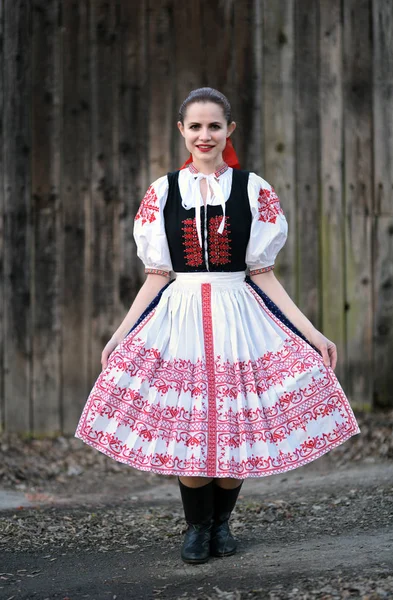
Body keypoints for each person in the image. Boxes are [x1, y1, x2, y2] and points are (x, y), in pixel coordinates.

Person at [74, 87, 361, 565]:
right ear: (181, 131)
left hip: (238, 315)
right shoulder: (163, 191)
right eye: (195, 126)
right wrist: (120, 334)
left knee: (234, 426)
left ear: (229, 130)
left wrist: (313, 334)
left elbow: (263, 273)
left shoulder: (252, 189)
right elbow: (156, 276)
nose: (204, 135)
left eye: (213, 126)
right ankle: (197, 528)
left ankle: (223, 522)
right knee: (190, 428)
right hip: (180, 316)